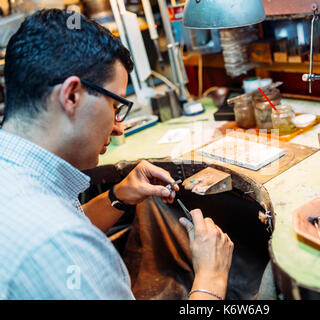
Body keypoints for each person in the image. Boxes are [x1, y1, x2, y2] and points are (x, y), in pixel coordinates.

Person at [0, 9, 233, 300]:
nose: (118, 128)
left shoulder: (18, 176)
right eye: (114, 107)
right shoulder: (57, 242)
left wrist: (118, 196)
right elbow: (63, 236)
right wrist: (211, 276)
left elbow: (71, 219)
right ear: (72, 95)